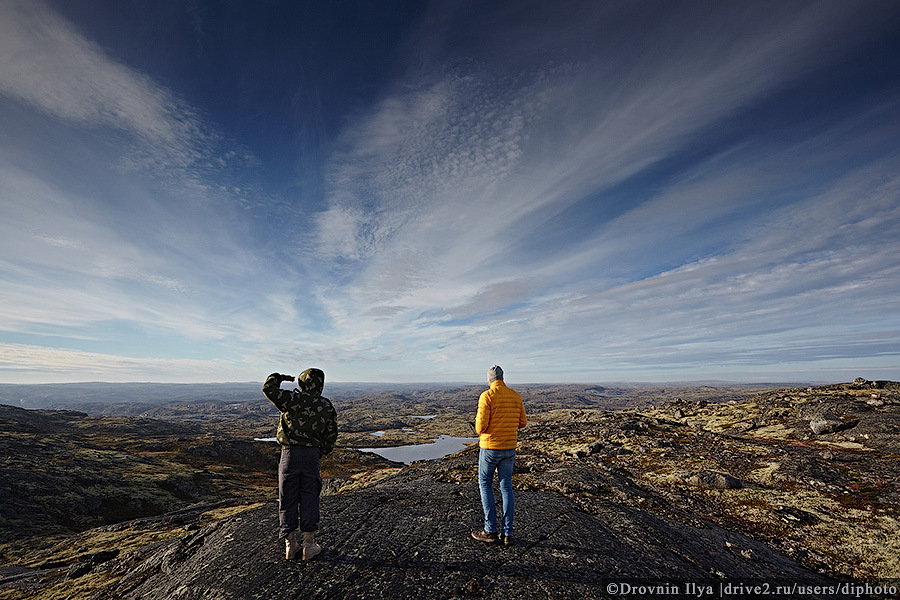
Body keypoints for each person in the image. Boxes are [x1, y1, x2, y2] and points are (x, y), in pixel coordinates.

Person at [263, 368, 338, 561]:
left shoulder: (293, 399)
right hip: (311, 456)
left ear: (302, 383)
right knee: (310, 497)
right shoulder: (326, 406)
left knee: (287, 498)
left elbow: (268, 389)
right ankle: (309, 546)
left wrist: (279, 377)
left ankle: (290, 545)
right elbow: (330, 436)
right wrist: (319, 453)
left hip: (289, 455)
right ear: (320, 384)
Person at [471, 365, 527, 546]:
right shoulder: (515, 396)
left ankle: (490, 530)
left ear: (489, 380)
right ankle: (507, 533)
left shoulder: (487, 396)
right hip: (509, 447)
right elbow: (522, 423)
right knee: (506, 487)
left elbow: (480, 427)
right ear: (502, 378)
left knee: (485, 484)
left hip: (490, 448)